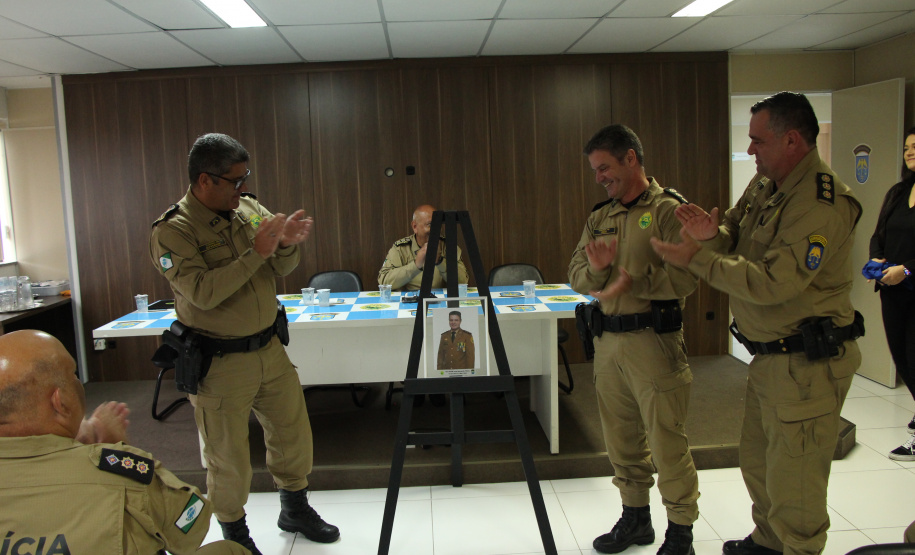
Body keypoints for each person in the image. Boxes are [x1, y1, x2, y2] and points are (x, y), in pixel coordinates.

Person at [651, 92, 863, 555]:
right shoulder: (767, 184)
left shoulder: (821, 202)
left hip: (808, 363)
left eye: (757, 141)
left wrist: (700, 257)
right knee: (759, 463)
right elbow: (732, 231)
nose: (749, 151)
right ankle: (768, 543)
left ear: (791, 140)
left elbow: (772, 282)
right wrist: (713, 237)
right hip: (770, 359)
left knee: (797, 485)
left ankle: (797, 548)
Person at [148, 133, 337, 554]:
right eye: (234, 181)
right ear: (204, 181)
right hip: (219, 361)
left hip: (269, 348)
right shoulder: (174, 230)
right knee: (227, 458)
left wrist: (285, 244)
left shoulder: (248, 208)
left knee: (292, 436)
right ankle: (235, 534)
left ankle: (295, 509)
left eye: (244, 178)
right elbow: (202, 292)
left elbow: (280, 267)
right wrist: (256, 252)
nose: (242, 189)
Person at [569, 124, 700, 555]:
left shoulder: (667, 210)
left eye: (604, 167)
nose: (599, 177)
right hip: (608, 344)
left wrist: (632, 281)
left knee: (666, 440)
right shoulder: (600, 215)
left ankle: (680, 531)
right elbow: (576, 274)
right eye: (594, 170)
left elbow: (687, 275)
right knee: (621, 438)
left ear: (631, 158)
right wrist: (601, 272)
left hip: (653, 341)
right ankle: (636, 518)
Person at [0, 330, 249, 554]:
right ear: (60, 402)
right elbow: (191, 526)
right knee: (230, 550)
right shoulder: (118, 474)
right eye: (73, 375)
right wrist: (118, 450)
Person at [868, 127, 915, 461]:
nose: (910, 151)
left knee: (914, 359)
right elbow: (879, 234)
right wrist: (876, 258)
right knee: (901, 357)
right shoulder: (899, 192)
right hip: (892, 291)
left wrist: (907, 269)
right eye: (907, 147)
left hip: (912, 284)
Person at [377, 204, 469, 291]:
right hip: (409, 304)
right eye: (430, 225)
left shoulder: (448, 247)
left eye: (438, 225)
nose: (435, 230)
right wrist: (415, 265)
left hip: (441, 303)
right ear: (415, 227)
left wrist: (440, 261)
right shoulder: (400, 249)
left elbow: (463, 282)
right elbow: (384, 281)